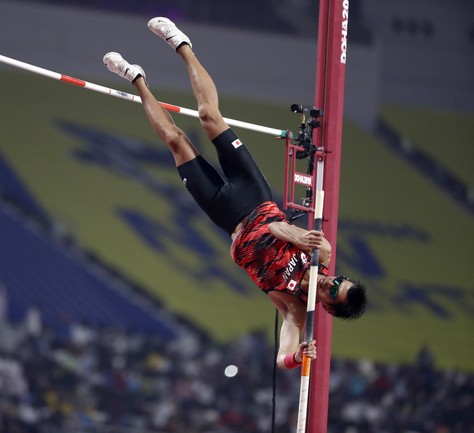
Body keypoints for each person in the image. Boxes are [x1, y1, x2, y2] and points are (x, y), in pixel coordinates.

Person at [103, 17, 367, 370]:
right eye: (338, 280)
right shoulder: (322, 253)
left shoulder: (294, 310)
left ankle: (135, 78)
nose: (330, 283)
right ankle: (181, 44)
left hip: (226, 217)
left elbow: (281, 358)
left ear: (330, 307)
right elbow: (276, 229)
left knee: (176, 141)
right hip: (254, 197)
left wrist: (296, 356)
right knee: (209, 116)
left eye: (333, 292)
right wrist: (298, 239)